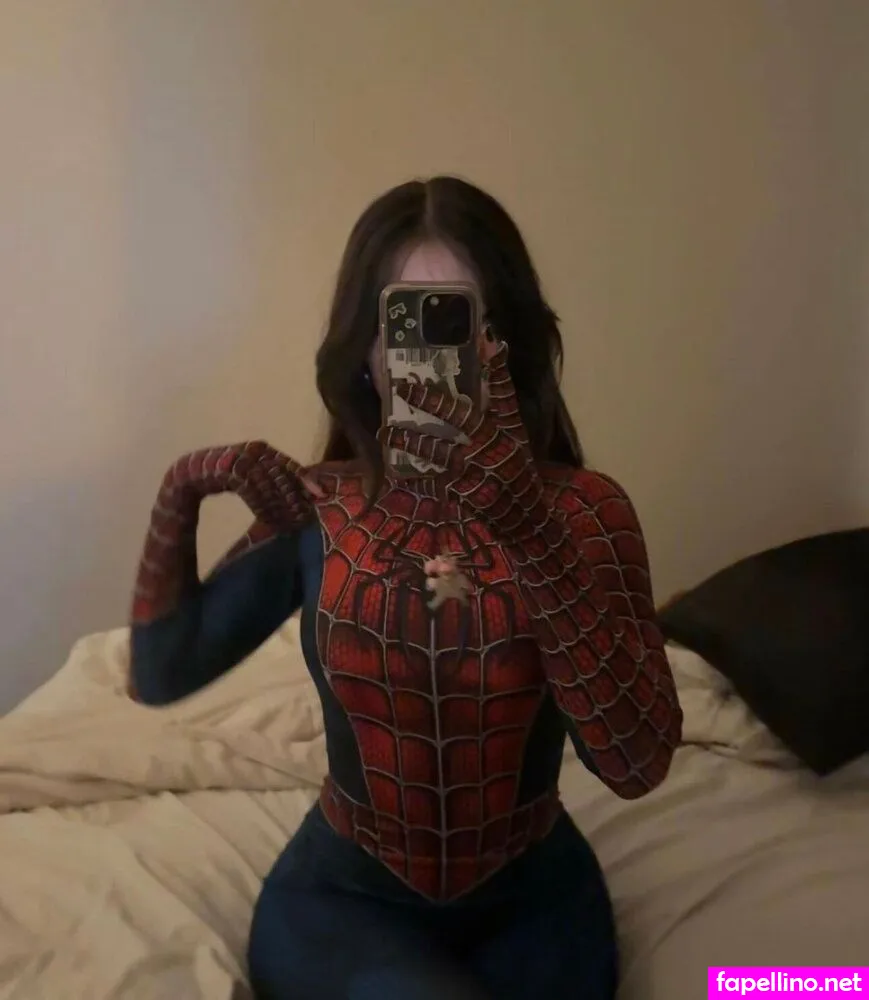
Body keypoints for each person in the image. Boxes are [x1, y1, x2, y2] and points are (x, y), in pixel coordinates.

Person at [127, 176, 683, 1000]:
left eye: (463, 325)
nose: (429, 362)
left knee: (780, 985)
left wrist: (532, 536)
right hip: (344, 902)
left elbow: (637, 764)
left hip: (537, 908)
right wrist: (182, 489)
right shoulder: (322, 508)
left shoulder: (583, 510)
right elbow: (159, 673)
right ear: (362, 348)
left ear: (509, 346)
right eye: (406, 324)